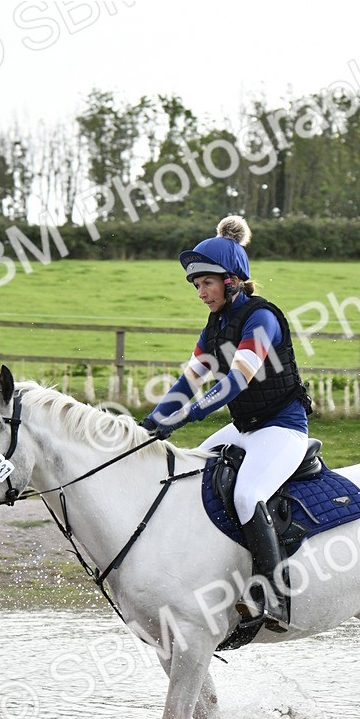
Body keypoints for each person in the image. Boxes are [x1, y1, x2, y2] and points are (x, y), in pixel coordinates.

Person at [140, 215, 312, 632]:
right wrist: (151, 422)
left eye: (206, 283)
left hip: (282, 427)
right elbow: (189, 380)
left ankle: (274, 597)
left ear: (232, 280)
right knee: (192, 473)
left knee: (247, 494)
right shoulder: (215, 325)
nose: (200, 293)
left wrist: (187, 415)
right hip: (246, 427)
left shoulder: (262, 318)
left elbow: (236, 381)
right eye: (196, 285)